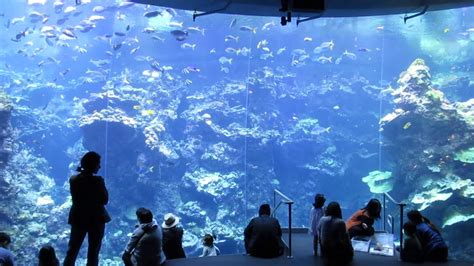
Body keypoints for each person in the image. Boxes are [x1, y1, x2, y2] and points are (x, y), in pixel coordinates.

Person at [63, 151, 111, 266]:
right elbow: (104, 200)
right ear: (92, 164)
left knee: (72, 249)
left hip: (78, 217)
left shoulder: (73, 180)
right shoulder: (98, 181)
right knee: (93, 252)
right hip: (96, 219)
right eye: (98, 163)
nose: (99, 166)